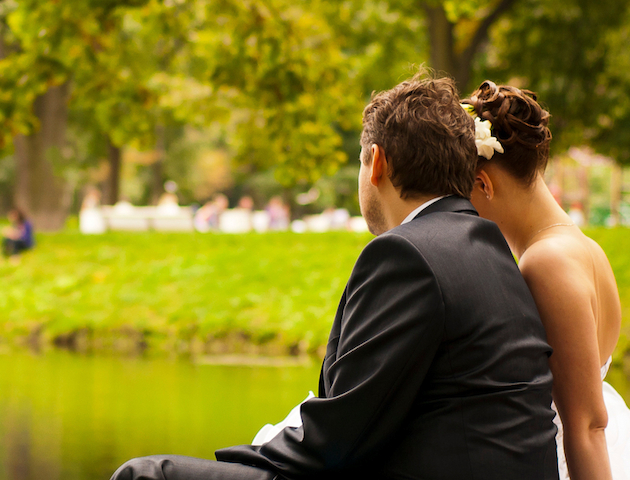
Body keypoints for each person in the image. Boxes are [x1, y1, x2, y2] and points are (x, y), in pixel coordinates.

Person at [110, 74, 559, 480]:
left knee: (148, 476)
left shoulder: (407, 255)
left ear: (377, 163)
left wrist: (236, 459)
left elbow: (336, 438)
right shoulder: (490, 249)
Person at [463, 80, 630, 480]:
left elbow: (586, 425)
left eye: (459, 195)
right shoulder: (584, 248)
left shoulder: (547, 262)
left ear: (484, 184)